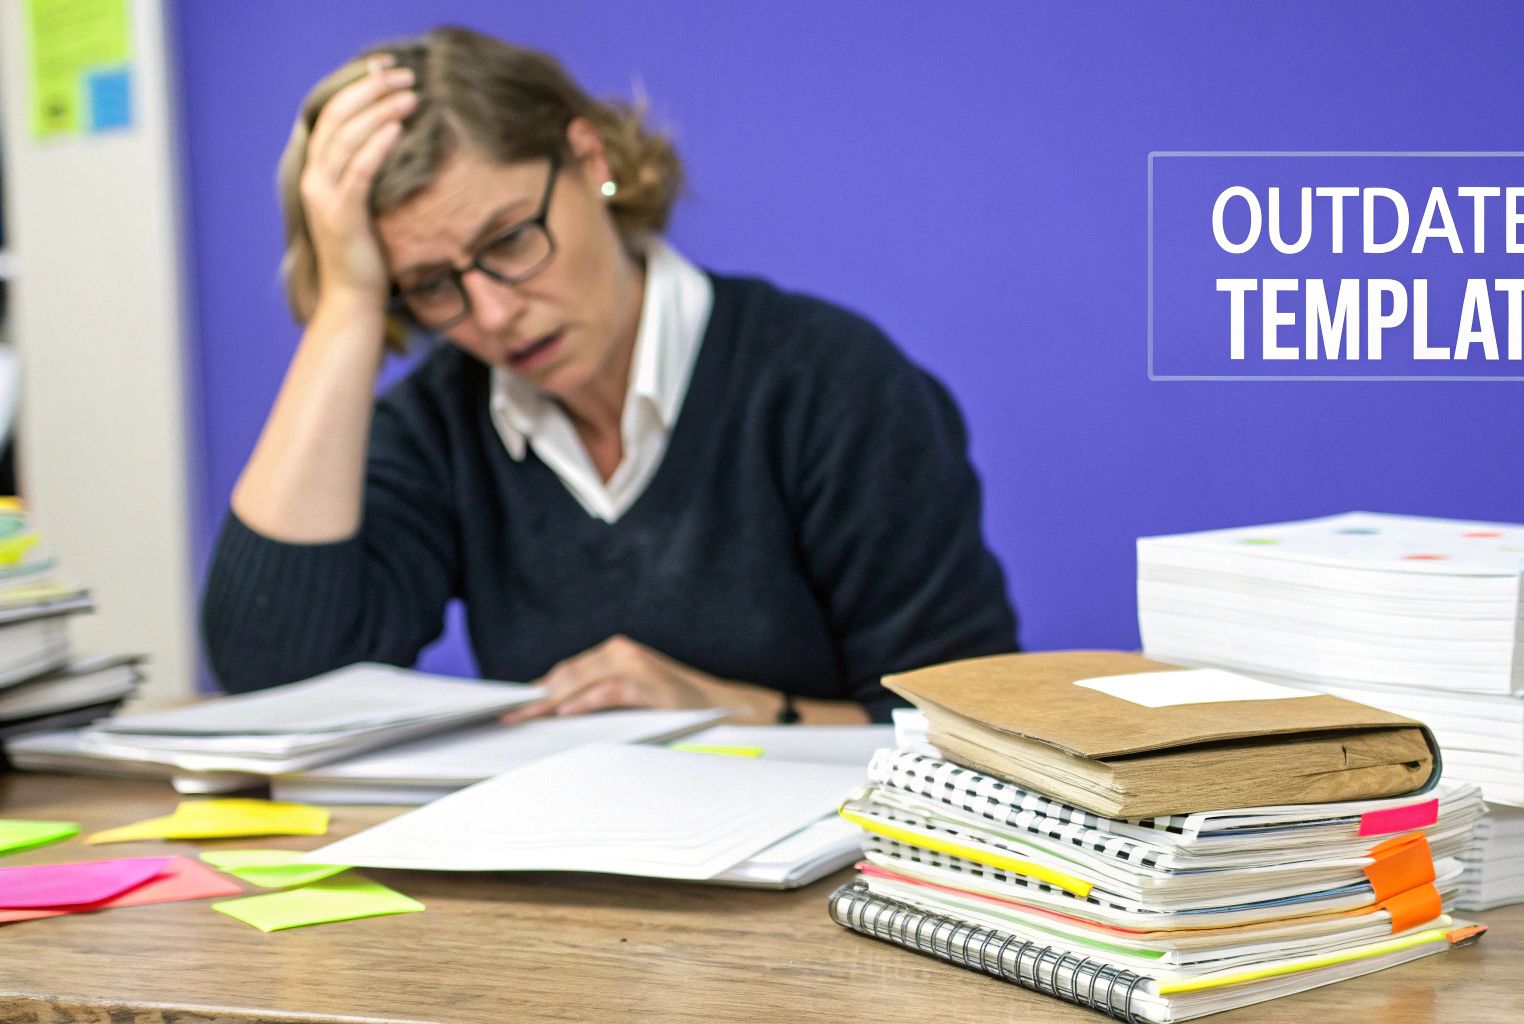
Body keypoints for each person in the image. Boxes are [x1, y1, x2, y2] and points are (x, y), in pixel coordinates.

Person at [201, 26, 1017, 726]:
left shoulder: (829, 381)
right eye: (432, 285)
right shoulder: (443, 419)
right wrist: (348, 302)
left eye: (510, 239)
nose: (492, 314)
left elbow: (974, 731)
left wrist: (727, 706)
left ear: (588, 158)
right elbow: (277, 682)